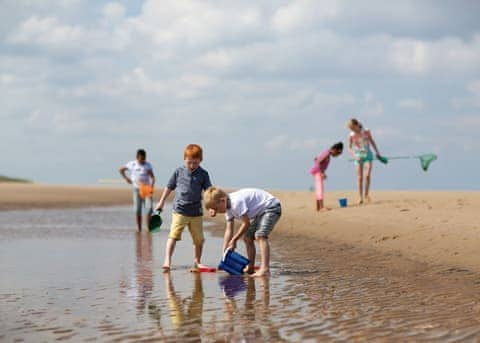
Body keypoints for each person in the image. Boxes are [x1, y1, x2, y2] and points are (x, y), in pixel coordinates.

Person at [154, 144, 212, 271]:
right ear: (184, 159)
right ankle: (167, 260)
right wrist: (161, 202)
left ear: (200, 160)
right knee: (173, 235)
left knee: (199, 239)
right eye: (189, 162)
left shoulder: (203, 174)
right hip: (180, 210)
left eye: (195, 163)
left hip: (196, 212)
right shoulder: (178, 172)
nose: (192, 166)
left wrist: (211, 206)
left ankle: (197, 262)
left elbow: (208, 191)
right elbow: (169, 187)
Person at [204, 187, 282, 277]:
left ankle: (265, 269)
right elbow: (229, 230)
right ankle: (251, 267)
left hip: (271, 207)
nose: (217, 212)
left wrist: (234, 240)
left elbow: (246, 223)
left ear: (222, 201)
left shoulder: (236, 202)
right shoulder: (228, 208)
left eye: (216, 209)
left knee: (260, 236)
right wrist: (224, 254)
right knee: (247, 238)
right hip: (261, 213)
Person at [347, 118, 382, 204]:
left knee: (367, 175)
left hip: (368, 154)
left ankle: (366, 195)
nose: (352, 130)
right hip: (358, 155)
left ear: (356, 125)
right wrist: (354, 156)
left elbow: (372, 141)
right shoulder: (351, 135)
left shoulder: (366, 131)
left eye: (352, 128)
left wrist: (377, 152)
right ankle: (360, 197)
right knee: (359, 178)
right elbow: (349, 148)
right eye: (350, 129)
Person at [119, 149, 155, 231]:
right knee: (137, 209)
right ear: (137, 157)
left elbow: (152, 177)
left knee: (149, 209)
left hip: (146, 189)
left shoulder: (148, 165)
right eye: (141, 159)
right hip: (137, 189)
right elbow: (121, 170)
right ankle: (139, 229)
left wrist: (151, 186)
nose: (143, 160)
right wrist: (127, 179)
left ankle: (149, 228)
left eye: (144, 158)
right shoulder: (132, 164)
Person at [310, 142, 343, 211]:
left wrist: (322, 172)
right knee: (320, 189)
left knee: (319, 189)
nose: (336, 155)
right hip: (318, 172)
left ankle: (318, 207)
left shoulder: (327, 154)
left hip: (318, 172)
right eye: (337, 154)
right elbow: (318, 161)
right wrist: (322, 173)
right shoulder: (327, 153)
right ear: (335, 150)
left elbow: (316, 159)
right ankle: (322, 207)